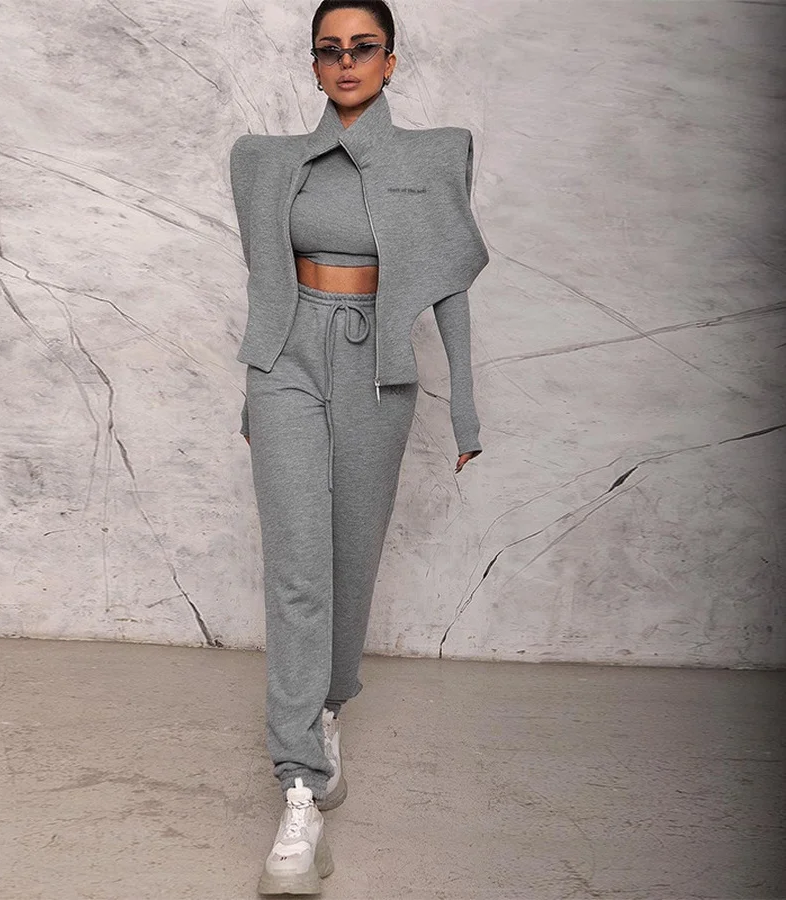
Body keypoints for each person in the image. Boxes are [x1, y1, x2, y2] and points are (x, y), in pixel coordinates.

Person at [229, 1, 489, 893]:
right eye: (329, 50)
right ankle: (299, 788)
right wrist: (255, 386)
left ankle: (328, 709)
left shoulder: (432, 156)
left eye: (363, 48)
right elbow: (264, 280)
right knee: (298, 566)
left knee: (349, 560)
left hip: (378, 371)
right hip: (287, 363)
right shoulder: (264, 161)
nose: (345, 62)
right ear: (313, 64)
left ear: (390, 60)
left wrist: (466, 415)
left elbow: (449, 283)